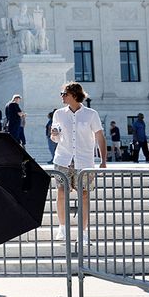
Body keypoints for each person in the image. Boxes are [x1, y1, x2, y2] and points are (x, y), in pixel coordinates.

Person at [49, 82, 108, 247]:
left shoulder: (91, 114)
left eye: (64, 93)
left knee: (84, 196)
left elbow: (100, 137)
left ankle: (83, 232)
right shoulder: (59, 114)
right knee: (61, 193)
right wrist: (53, 135)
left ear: (74, 95)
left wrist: (103, 161)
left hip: (84, 161)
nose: (61, 96)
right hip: (63, 160)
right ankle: (62, 227)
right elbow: (56, 137)